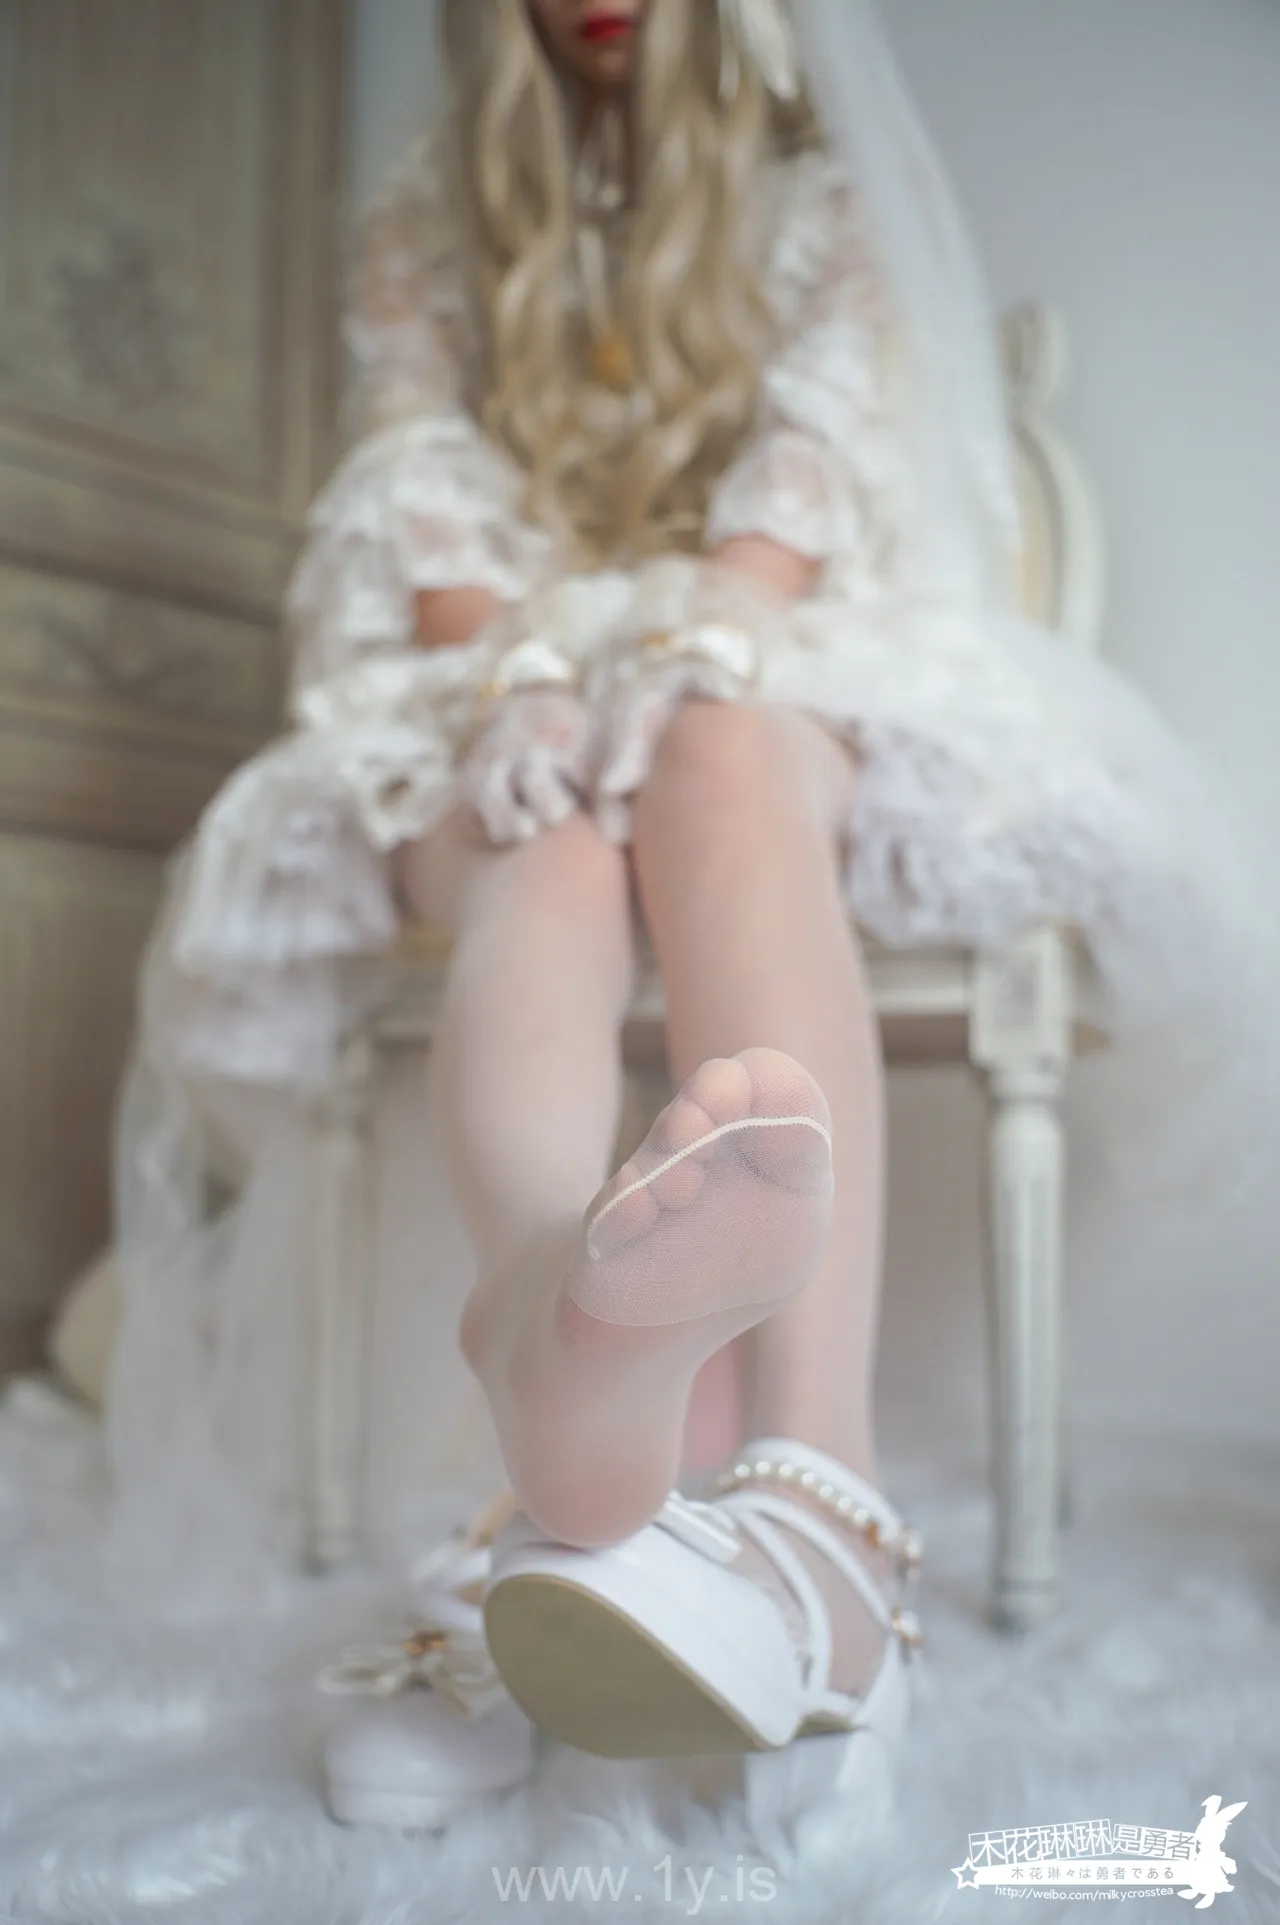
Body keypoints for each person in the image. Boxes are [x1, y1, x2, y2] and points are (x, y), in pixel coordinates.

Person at [90, 0, 1278, 1832]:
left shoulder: (830, 198)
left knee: (720, 755)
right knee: (548, 842)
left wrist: (702, 640)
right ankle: (551, 1369)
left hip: (762, 643)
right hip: (495, 666)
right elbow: (421, 486)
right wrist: (512, 685)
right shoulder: (428, 214)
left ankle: (817, 1505)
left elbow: (802, 486)